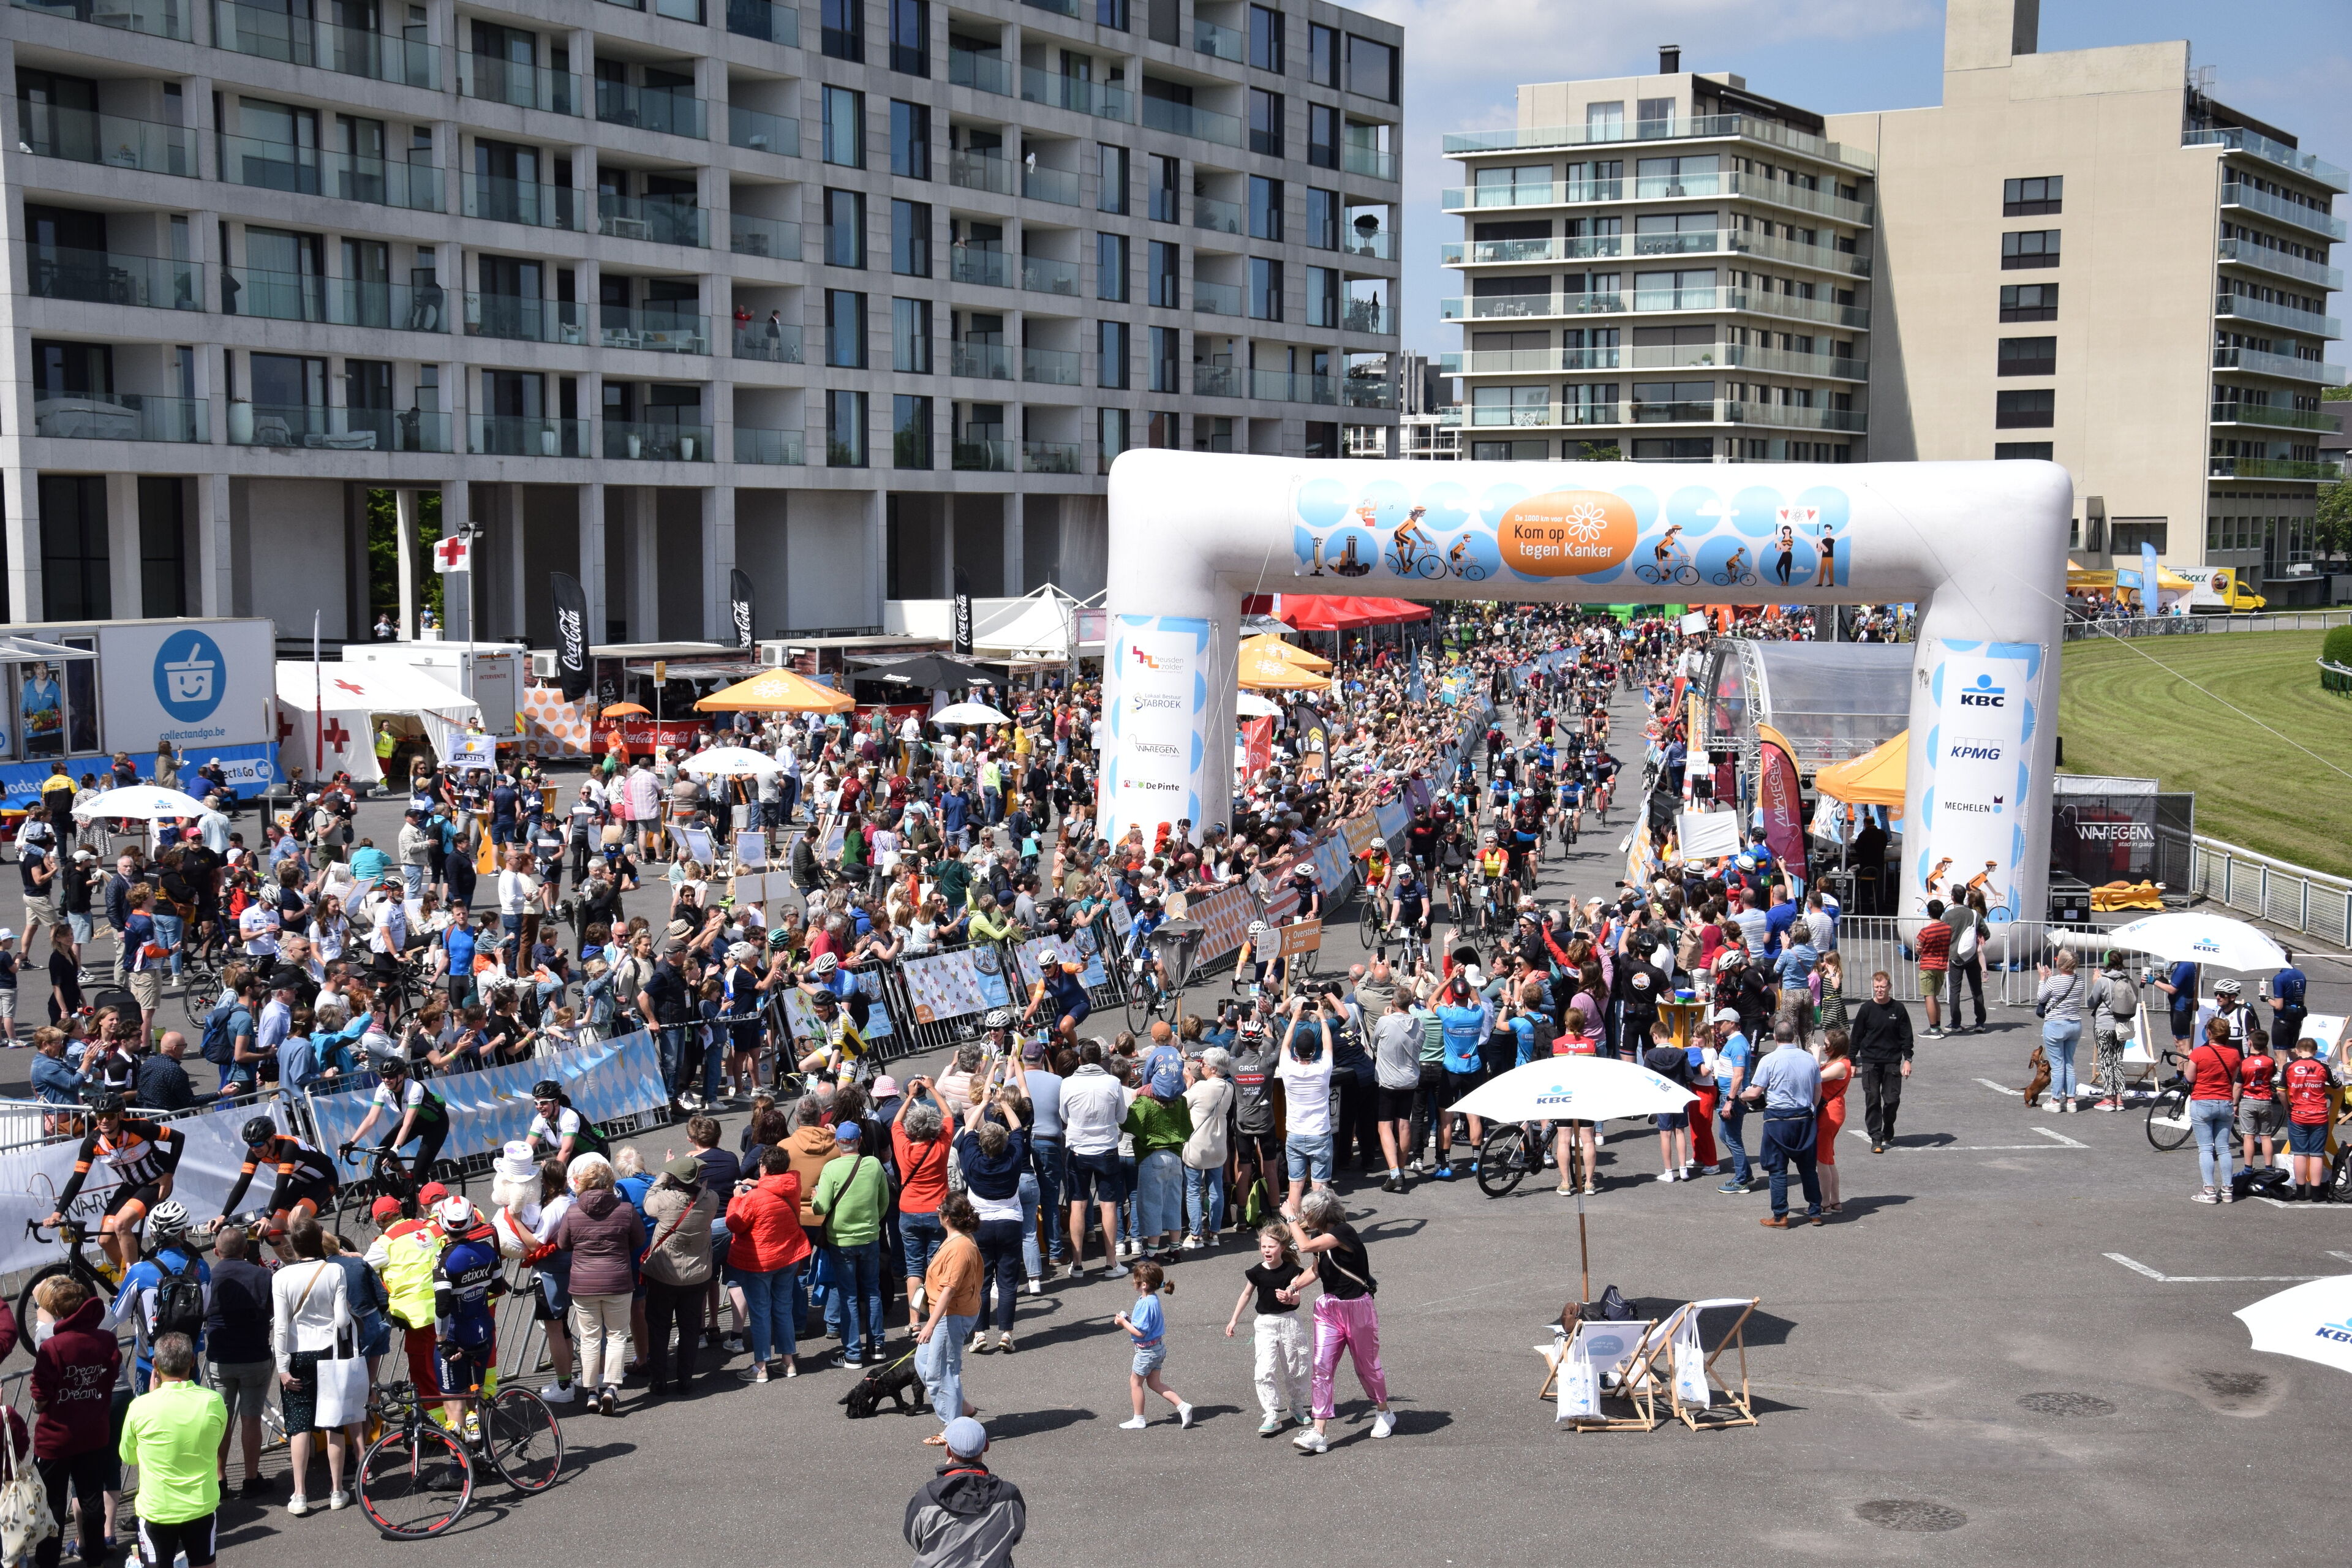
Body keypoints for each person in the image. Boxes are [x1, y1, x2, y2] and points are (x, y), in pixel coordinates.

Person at [1285, 1187, 1393, 1454]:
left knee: (1367, 1367)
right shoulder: (1320, 1237)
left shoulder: (1344, 1232)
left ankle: (1384, 1412)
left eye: (1306, 1213)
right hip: (1329, 1310)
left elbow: (1304, 1246)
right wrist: (1294, 1286)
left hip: (1358, 1309)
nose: (1303, 1217)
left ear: (1318, 1213)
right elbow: (1315, 1270)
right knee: (1321, 1367)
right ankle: (1319, 1433)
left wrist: (1290, 1218)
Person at [270, 1218, 357, 1516]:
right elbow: (342, 1320)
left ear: (293, 1246)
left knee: (299, 1426)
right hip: (329, 1351)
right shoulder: (334, 1270)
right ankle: (337, 1490)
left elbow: (281, 1327)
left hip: (297, 1355)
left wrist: (283, 1367)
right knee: (334, 1422)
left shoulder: (281, 1277)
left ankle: (300, 1494)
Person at [30, 1273, 117, 1568]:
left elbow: (40, 1397)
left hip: (55, 1438)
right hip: (93, 1433)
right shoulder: (106, 1340)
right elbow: (110, 1378)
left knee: (52, 1504)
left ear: (57, 1311)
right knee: (92, 1499)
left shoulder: (52, 1346)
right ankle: (95, 1558)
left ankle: (48, 1561)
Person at [119, 1332, 226, 1568]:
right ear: (192, 1361)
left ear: (155, 1365)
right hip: (201, 1505)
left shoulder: (140, 1407)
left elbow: (128, 1456)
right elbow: (214, 1443)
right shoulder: (213, 1401)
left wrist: (153, 1398)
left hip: (156, 1509)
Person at [724, 1146, 810, 1382]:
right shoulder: (793, 1185)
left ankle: (761, 1366)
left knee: (760, 1312)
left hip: (761, 1261)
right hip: (788, 1256)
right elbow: (774, 1187)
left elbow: (735, 1224)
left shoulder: (754, 1197)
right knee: (783, 1308)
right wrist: (758, 1184)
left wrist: (736, 1199)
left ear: (763, 1168)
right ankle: (788, 1362)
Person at [203, 1225, 276, 1501]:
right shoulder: (263, 1276)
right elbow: (273, 1310)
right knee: (251, 1418)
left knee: (221, 1422)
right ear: (246, 1249)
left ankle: (219, 1480)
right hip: (255, 1356)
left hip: (220, 1358)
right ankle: (251, 1479)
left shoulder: (209, 1277)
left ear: (216, 1251)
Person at [110, 1199, 209, 1394]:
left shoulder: (139, 1271)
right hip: (188, 1358)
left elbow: (117, 1316)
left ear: (154, 1235)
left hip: (151, 1360)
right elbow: (205, 1310)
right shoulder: (202, 1267)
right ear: (183, 1233)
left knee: (148, 1411)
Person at [903, 1417, 1025, 1568]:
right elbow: (1015, 1535)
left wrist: (944, 1479)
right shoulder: (1009, 1495)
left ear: (948, 1450)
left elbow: (915, 1538)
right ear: (986, 1446)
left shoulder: (926, 1497)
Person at [641, 1155, 718, 1395]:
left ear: (675, 1178)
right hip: (698, 1275)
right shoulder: (711, 1200)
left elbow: (649, 1200)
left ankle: (659, 1380)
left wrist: (665, 1173)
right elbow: (704, 1190)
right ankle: (685, 1379)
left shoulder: (664, 1201)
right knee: (690, 1328)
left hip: (664, 1275)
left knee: (659, 1327)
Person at [1224, 1223, 1311, 1435]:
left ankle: (1296, 1405)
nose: (1266, 1250)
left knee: (1296, 1366)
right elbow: (1246, 1294)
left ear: (1282, 1247)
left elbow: (1298, 1297)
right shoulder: (1256, 1272)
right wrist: (1234, 1319)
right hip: (1265, 1324)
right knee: (1264, 1368)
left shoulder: (1292, 1271)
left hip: (1289, 1322)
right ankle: (1271, 1412)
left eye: (1271, 1247)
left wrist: (1289, 1297)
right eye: (1263, 1247)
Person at [916, 1194, 983, 1446]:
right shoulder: (956, 1238)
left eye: (939, 1209)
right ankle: (962, 1408)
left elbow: (949, 1290)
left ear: (945, 1217)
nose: (936, 1211)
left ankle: (952, 1428)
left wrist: (930, 1325)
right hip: (947, 1312)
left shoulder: (960, 1248)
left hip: (951, 1314)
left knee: (942, 1372)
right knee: (924, 1362)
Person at [1746, 1025, 1825, 1227]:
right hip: (1804, 1118)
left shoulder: (1769, 1060)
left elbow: (1755, 1093)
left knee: (1778, 1169)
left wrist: (1740, 1096)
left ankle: (1780, 1215)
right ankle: (1815, 1212)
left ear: (1775, 1037)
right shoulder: (1809, 1059)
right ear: (1794, 1036)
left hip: (1778, 1120)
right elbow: (1817, 1091)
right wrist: (1812, 1110)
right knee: (1808, 1169)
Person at [1113, 1260, 1191, 1430]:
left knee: (1135, 1383)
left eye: (1136, 1279)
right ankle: (1183, 1406)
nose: (1133, 1281)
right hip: (1157, 1348)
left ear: (1144, 1284)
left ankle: (1139, 1419)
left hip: (1146, 1352)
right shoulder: (1152, 1299)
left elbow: (1140, 1333)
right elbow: (1144, 1325)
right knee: (1155, 1383)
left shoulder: (1145, 1303)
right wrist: (1129, 1320)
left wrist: (1123, 1323)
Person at [1847, 971, 1913, 1154]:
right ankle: (1876, 1137)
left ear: (1889, 987)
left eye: (1883, 986)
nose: (1879, 990)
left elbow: (1907, 1036)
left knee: (1892, 1100)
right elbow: (1856, 1037)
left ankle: (1888, 1125)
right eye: (1876, 987)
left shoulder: (1898, 1009)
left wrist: (1908, 1060)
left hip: (1892, 1062)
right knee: (1873, 1099)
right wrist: (1852, 1062)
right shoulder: (1866, 1009)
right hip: (1870, 1062)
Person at [2187, 1017, 2243, 1204]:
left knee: (2205, 1149)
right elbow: (2233, 1078)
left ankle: (2209, 1190)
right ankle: (2227, 1190)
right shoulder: (2234, 1054)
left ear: (2209, 1033)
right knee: (2224, 1148)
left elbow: (2190, 1077)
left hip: (2203, 1101)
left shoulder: (2199, 1052)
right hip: (2225, 1102)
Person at [2281, 1034, 2339, 1202]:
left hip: (2298, 1114)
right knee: (2316, 1155)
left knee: (2299, 1154)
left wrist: (2288, 1108)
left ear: (2297, 1051)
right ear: (2315, 1051)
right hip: (2319, 1115)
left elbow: (2280, 1091)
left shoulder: (2289, 1066)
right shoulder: (2323, 1066)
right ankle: (2316, 1193)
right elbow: (2338, 1086)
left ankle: (2300, 1192)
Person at [2033, 950, 2086, 1114]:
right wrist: (2051, 979)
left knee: (2057, 1065)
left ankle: (2055, 1100)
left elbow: (2041, 997)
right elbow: (2064, 987)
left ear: (2060, 963)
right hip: (2074, 1024)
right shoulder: (2080, 980)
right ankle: (2071, 1101)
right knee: (2069, 1063)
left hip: (2055, 1024)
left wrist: (2043, 979)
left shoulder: (2054, 981)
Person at [1817, 1030, 1855, 1214]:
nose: (1823, 1047)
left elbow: (1816, 1077)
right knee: (1828, 1158)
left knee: (1822, 1159)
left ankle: (1824, 1203)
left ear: (1836, 1047)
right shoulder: (1836, 1062)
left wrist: (1815, 1056)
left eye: (1826, 1045)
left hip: (1830, 1112)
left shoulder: (1841, 1065)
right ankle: (1835, 1201)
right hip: (1831, 1109)